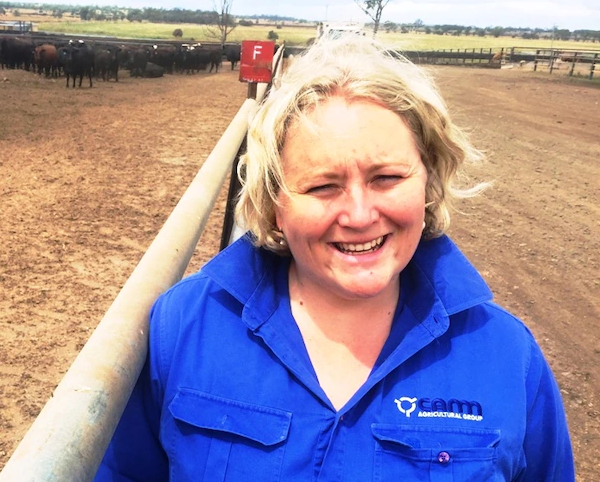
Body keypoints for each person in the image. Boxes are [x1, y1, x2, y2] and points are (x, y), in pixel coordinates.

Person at [95, 36, 574, 481]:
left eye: (387, 178)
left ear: (427, 183)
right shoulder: (184, 327)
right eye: (323, 186)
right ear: (273, 203)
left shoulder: (507, 356)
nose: (361, 215)